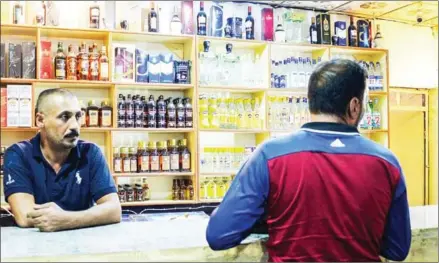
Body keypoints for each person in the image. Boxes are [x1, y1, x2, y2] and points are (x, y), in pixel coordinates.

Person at [206, 59, 411, 262]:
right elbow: (397, 249)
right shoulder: (386, 163)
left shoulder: (270, 155)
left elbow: (219, 236)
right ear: (354, 106)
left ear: (311, 101)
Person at [3, 88, 121, 232]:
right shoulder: (18, 154)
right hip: (33, 248)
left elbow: (114, 210)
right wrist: (84, 217)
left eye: (78, 116)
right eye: (64, 117)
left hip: (83, 247)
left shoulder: (90, 153)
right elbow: (25, 216)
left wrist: (65, 220)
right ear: (40, 120)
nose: (74, 126)